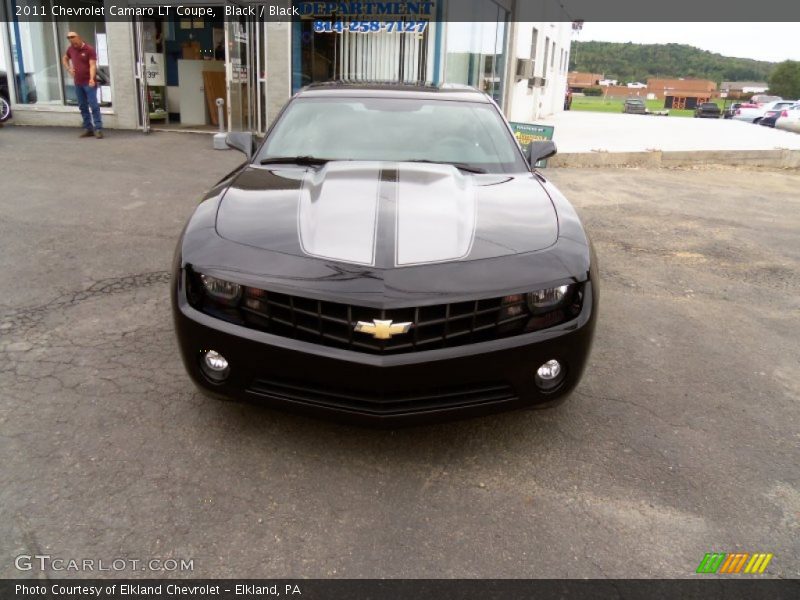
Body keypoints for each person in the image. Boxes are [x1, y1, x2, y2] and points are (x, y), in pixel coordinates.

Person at [62, 32, 103, 138]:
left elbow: (92, 65)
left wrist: (91, 79)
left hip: (89, 83)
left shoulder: (89, 49)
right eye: (70, 40)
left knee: (93, 105)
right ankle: (88, 128)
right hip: (78, 83)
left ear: (79, 38)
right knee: (82, 106)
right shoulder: (71, 49)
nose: (73, 44)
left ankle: (98, 129)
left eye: (74, 40)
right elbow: (65, 58)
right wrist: (69, 69)